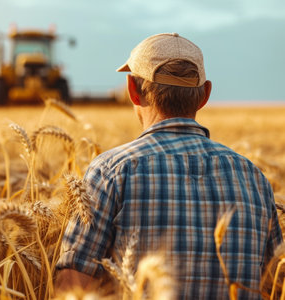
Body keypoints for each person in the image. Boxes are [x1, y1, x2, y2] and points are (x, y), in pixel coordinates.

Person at [55, 33, 283, 299]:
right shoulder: (253, 177)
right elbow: (275, 282)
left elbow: (73, 284)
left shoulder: (112, 171)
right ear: (205, 95)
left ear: (132, 91)